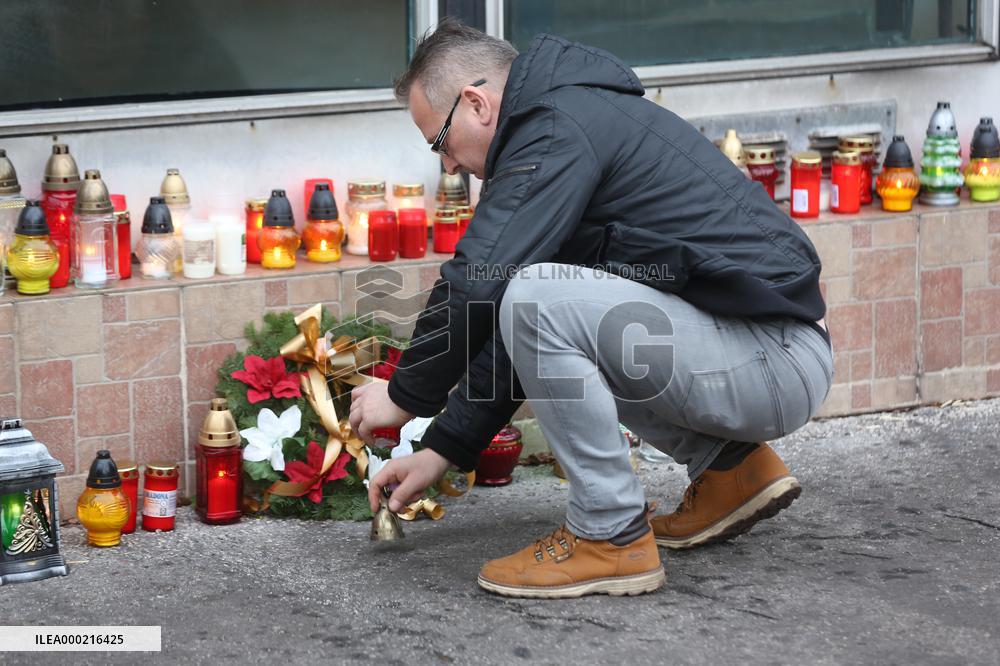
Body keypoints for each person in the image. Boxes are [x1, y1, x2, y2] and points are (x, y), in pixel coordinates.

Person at [351, 19, 833, 599]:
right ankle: (732, 468)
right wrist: (442, 449)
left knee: (534, 294)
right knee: (543, 300)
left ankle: (608, 535)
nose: (448, 166)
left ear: (476, 103)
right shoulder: (565, 118)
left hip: (773, 356)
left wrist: (404, 395)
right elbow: (521, 327)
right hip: (761, 351)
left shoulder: (554, 128)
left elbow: (481, 281)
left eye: (440, 144)